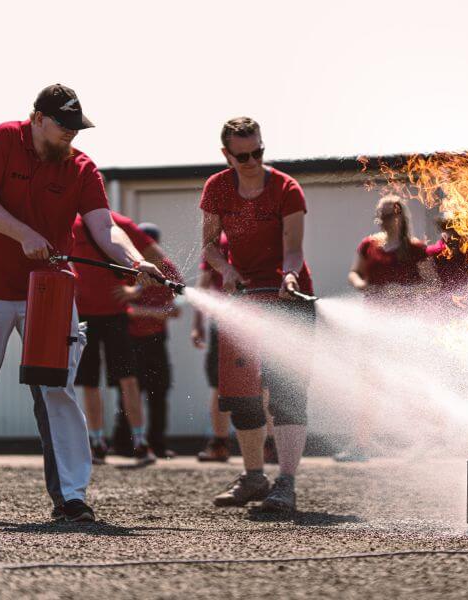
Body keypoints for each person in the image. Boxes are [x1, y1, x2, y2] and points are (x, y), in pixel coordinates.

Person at [0, 84, 162, 522]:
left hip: (49, 292)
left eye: (77, 127)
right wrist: (23, 233)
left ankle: (71, 496)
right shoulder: (4, 138)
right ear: (37, 118)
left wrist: (135, 261)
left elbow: (105, 227)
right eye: (63, 125)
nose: (71, 134)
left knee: (58, 392)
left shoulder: (82, 168)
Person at [200, 116, 315, 512]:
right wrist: (226, 270)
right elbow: (210, 246)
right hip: (243, 300)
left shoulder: (286, 188)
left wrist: (289, 275)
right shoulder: (217, 188)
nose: (252, 161)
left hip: (288, 297)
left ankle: (286, 483)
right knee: (242, 394)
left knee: (287, 393)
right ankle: (253, 478)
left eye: (258, 152)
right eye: (243, 155)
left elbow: (293, 248)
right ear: (226, 155)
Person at [338, 194, 431, 462]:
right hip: (372, 327)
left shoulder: (416, 250)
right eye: (379, 215)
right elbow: (354, 273)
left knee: (409, 385)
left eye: (388, 215)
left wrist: (403, 292)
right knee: (367, 387)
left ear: (400, 217)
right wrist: (361, 284)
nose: (382, 220)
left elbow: (431, 284)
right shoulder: (368, 245)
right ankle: (361, 444)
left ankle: (420, 443)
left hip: (404, 331)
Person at [71, 211, 161, 466]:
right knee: (89, 381)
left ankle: (140, 442)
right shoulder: (69, 223)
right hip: (83, 315)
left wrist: (136, 290)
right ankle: (97, 442)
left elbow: (156, 257)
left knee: (128, 378)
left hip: (115, 315)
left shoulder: (119, 223)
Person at [114, 222, 182, 459]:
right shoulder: (125, 266)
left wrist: (148, 312)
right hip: (130, 338)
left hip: (155, 338)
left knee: (158, 391)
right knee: (128, 391)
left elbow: (176, 309)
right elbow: (119, 306)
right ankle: (124, 444)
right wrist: (153, 312)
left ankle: (158, 444)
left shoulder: (166, 269)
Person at [192, 232, 233, 462]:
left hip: (241, 316)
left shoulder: (217, 242)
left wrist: (197, 324)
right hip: (225, 319)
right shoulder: (217, 243)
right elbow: (204, 284)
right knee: (220, 383)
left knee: (222, 384)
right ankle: (220, 443)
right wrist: (198, 323)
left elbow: (203, 284)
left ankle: (220, 443)